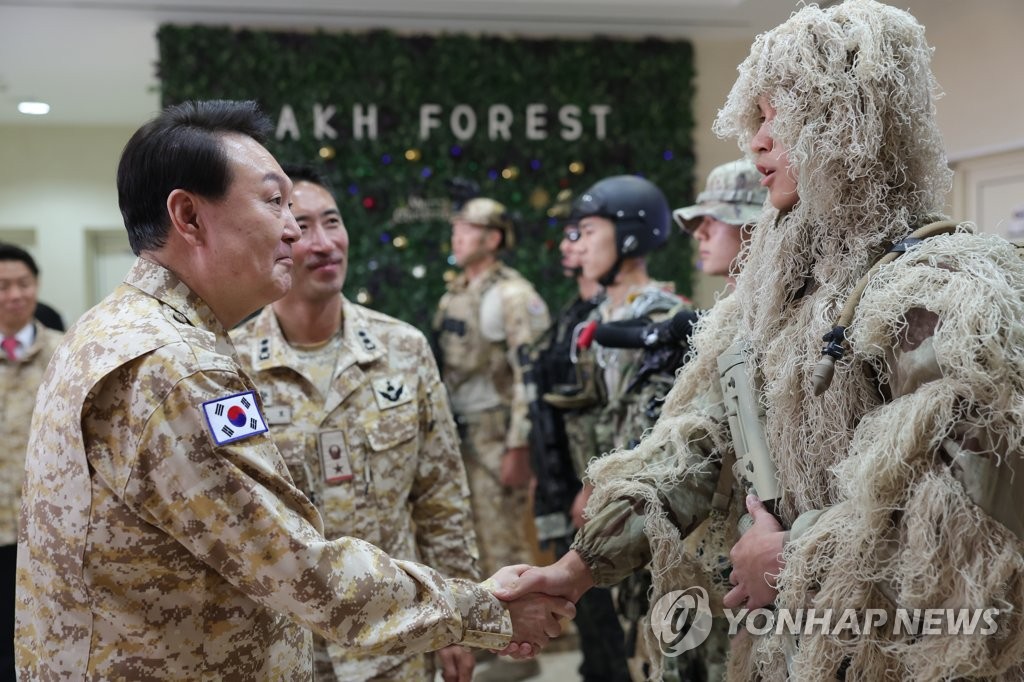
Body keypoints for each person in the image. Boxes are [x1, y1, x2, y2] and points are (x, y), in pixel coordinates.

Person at [499, 1, 1024, 679]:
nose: (758, 143)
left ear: (850, 124)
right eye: (758, 118)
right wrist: (579, 566)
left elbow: (978, 529)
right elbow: (701, 437)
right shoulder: (779, 293)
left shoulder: (945, 295)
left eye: (780, 116)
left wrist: (792, 558)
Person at [15, 99, 574, 680]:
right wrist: (481, 609)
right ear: (188, 216)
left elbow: (435, 494)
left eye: (321, 217)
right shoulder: (174, 366)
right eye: (275, 202)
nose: (296, 231)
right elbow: (298, 566)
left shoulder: (114, 330)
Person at [232, 165, 479, 682]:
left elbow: (442, 497)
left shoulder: (403, 350)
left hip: (397, 634)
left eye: (333, 222)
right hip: (285, 646)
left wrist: (461, 617)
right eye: (302, 227)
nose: (324, 243)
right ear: (273, 239)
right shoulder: (232, 366)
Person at [433, 196, 551, 682]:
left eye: (468, 229)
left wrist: (520, 445)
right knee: (469, 539)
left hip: (496, 433)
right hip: (458, 430)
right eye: (456, 228)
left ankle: (517, 650)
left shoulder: (514, 296)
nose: (457, 237)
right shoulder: (455, 293)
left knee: (502, 538)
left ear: (493, 238)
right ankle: (481, 635)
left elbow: (531, 375)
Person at [524, 201, 632, 682]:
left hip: (593, 478)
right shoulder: (573, 314)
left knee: (609, 606)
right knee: (583, 607)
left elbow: (615, 412)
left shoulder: (614, 316)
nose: (574, 245)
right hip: (560, 473)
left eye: (583, 234)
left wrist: (593, 484)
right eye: (570, 236)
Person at [0, 243, 63, 679]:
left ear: (36, 287)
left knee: (32, 642)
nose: (15, 294)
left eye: (24, 284)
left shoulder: (64, 351)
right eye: (2, 286)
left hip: (39, 529)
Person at [673, 158, 766, 288]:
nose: (699, 234)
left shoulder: (798, 305)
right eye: (702, 219)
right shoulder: (732, 308)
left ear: (758, 226)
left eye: (715, 219)